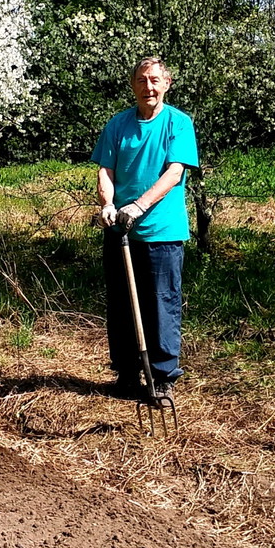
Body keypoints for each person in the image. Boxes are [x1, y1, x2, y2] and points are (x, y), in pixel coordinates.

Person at [91, 57, 199, 399]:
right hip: (120, 231)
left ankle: (163, 377)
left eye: (154, 80)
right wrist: (108, 204)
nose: (148, 87)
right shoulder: (117, 125)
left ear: (166, 84)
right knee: (121, 305)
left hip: (162, 232)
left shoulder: (178, 123)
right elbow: (106, 170)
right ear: (133, 84)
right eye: (141, 80)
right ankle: (126, 372)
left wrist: (139, 206)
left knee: (160, 304)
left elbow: (174, 173)